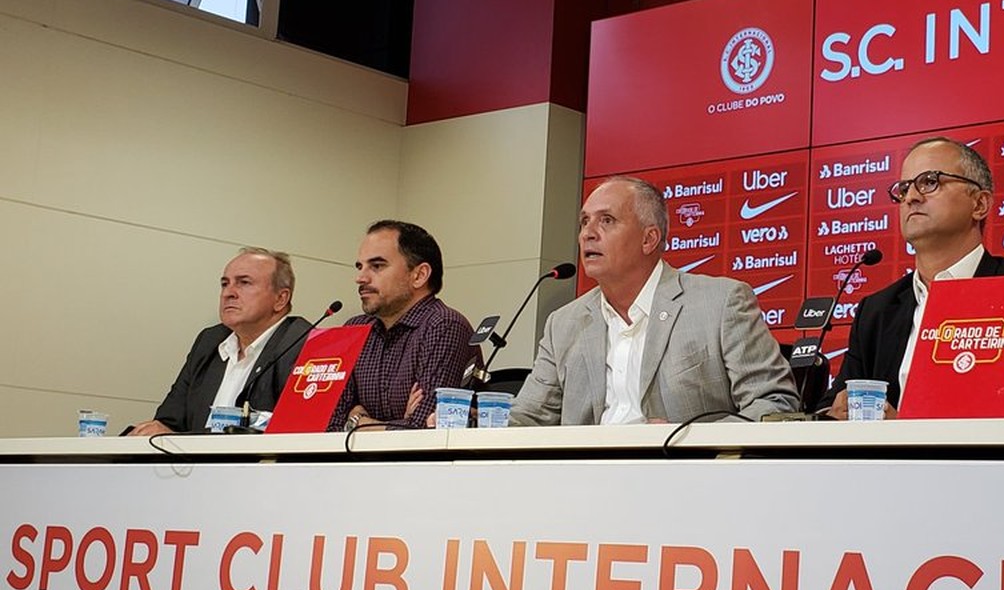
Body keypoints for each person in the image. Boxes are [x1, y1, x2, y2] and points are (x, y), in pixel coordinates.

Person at [510, 176, 799, 425]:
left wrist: (685, 440)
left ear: (648, 239)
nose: (588, 233)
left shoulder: (721, 303)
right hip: (585, 470)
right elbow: (526, 421)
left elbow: (774, 404)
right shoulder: (563, 324)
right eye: (585, 221)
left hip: (681, 468)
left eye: (606, 220)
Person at [825, 137, 1004, 418]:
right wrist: (838, 410)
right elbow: (832, 403)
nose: (911, 197)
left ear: (979, 204)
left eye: (929, 182)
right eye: (904, 188)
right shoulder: (877, 310)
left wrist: (904, 430)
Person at [130, 248, 312, 435]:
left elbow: (303, 431)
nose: (228, 293)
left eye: (244, 283)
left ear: (280, 299)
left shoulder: (307, 346)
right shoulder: (210, 341)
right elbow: (170, 421)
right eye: (225, 284)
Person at [329, 220, 477, 431]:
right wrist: (396, 425)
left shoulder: (445, 326)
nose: (360, 278)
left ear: (419, 275)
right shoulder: (354, 329)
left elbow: (422, 429)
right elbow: (326, 423)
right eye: (360, 267)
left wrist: (356, 420)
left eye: (377, 266)